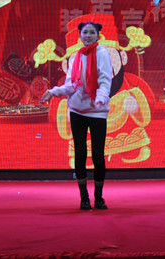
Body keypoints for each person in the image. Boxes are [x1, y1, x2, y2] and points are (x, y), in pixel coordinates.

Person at [40, 21, 113, 210]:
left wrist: (100, 99)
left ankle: (99, 197)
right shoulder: (75, 57)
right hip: (77, 111)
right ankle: (84, 198)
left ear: (98, 36)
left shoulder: (102, 53)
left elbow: (105, 80)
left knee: (98, 155)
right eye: (84, 32)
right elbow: (71, 85)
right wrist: (53, 92)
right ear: (80, 36)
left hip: (97, 111)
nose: (88, 35)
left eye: (91, 32)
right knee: (79, 153)